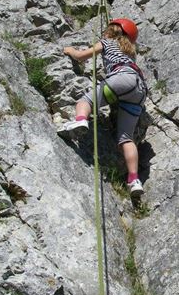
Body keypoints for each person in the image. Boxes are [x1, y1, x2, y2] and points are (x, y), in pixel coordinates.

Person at [59, 18, 147, 198]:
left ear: (110, 31)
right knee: (126, 138)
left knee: (85, 101)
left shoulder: (107, 42)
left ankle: (81, 121)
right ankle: (133, 180)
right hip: (140, 90)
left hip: (122, 78)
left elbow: (82, 56)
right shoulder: (130, 53)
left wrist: (70, 51)